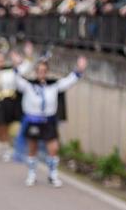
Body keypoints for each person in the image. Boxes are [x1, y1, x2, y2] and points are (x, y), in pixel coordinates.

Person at [16, 54, 87, 187]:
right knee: (32, 148)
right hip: (33, 120)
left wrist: (79, 70)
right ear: (35, 72)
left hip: (48, 121)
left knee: (53, 148)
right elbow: (16, 78)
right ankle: (32, 173)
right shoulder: (28, 86)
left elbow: (68, 81)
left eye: (44, 71)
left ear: (47, 72)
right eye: (39, 71)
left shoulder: (53, 86)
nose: (41, 73)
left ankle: (52, 174)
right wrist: (20, 64)